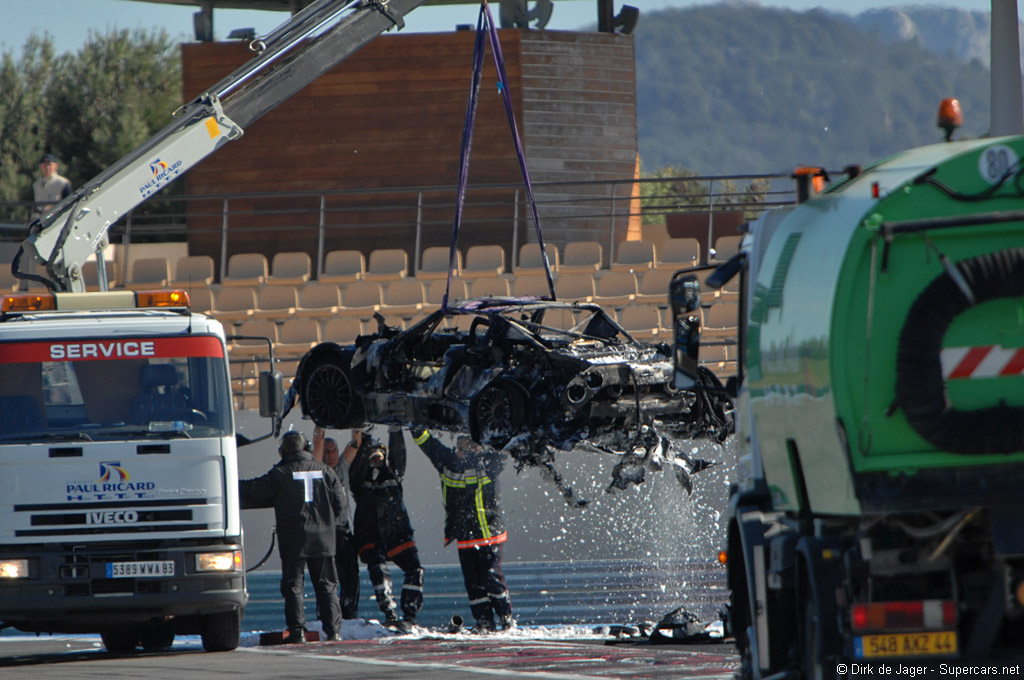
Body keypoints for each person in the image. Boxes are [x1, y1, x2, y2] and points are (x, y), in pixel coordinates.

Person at [239, 430, 344, 643]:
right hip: (324, 538)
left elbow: (253, 490)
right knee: (327, 585)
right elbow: (340, 505)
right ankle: (333, 632)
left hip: (295, 539)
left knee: (294, 586)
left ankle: (297, 631)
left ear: (283, 451)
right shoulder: (326, 471)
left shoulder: (281, 474)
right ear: (305, 448)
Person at [410, 427, 514, 633]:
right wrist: (414, 424)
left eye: (464, 444)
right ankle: (484, 621)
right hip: (465, 536)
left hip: (488, 533)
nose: (459, 449)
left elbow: (505, 447)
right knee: (473, 583)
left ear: (476, 446)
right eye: (458, 445)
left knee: (490, 577)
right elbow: (428, 444)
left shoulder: (489, 462)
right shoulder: (448, 461)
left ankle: (505, 617)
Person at [348, 426, 424, 631]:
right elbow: (355, 468)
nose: (377, 458)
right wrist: (365, 436)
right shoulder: (360, 481)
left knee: (415, 570)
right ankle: (390, 614)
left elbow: (398, 457)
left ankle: (409, 616)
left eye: (380, 454)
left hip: (397, 533)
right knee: (379, 571)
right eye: (372, 455)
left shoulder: (393, 476)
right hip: (370, 536)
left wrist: (395, 429)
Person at [312, 425, 361, 620]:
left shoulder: (342, 468)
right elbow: (317, 441)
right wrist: (321, 424)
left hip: (343, 531)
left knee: (351, 573)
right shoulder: (317, 469)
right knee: (327, 577)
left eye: (334, 451)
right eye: (327, 451)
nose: (331, 455)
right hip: (324, 532)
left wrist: (356, 422)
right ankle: (325, 614)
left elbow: (356, 444)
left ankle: (349, 612)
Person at [32, 154, 72, 220]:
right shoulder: (36, 184)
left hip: (56, 218)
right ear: (40, 167)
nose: (47, 168)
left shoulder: (63, 183)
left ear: (55, 166)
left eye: (50, 165)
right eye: (44, 165)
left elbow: (69, 203)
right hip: (39, 219)